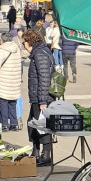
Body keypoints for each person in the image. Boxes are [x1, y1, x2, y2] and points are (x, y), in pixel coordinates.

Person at [24, 30, 55, 167]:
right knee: (32, 123)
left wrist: (43, 100)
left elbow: (44, 78)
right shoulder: (39, 52)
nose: (23, 44)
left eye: (24, 42)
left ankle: (46, 155)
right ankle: (35, 151)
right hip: (37, 96)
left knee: (42, 126)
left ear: (30, 42)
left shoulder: (40, 53)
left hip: (42, 96)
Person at [0, 34, 26, 131]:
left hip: (4, 79)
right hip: (14, 78)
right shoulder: (16, 49)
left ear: (1, 40)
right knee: (12, 102)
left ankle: (4, 124)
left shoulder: (2, 50)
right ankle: (14, 123)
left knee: (3, 102)